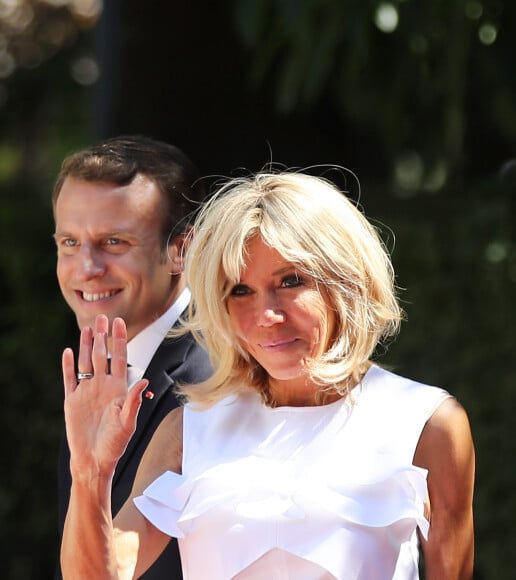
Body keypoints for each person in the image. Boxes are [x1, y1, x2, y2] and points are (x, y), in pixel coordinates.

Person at [59, 171, 475, 579]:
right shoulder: (185, 431)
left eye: (291, 281)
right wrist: (90, 475)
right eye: (240, 290)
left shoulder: (427, 422)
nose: (267, 315)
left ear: (347, 282)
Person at [52, 135, 213, 579]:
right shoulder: (94, 368)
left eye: (114, 242)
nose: (86, 268)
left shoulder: (217, 378)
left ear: (182, 249)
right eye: (69, 242)